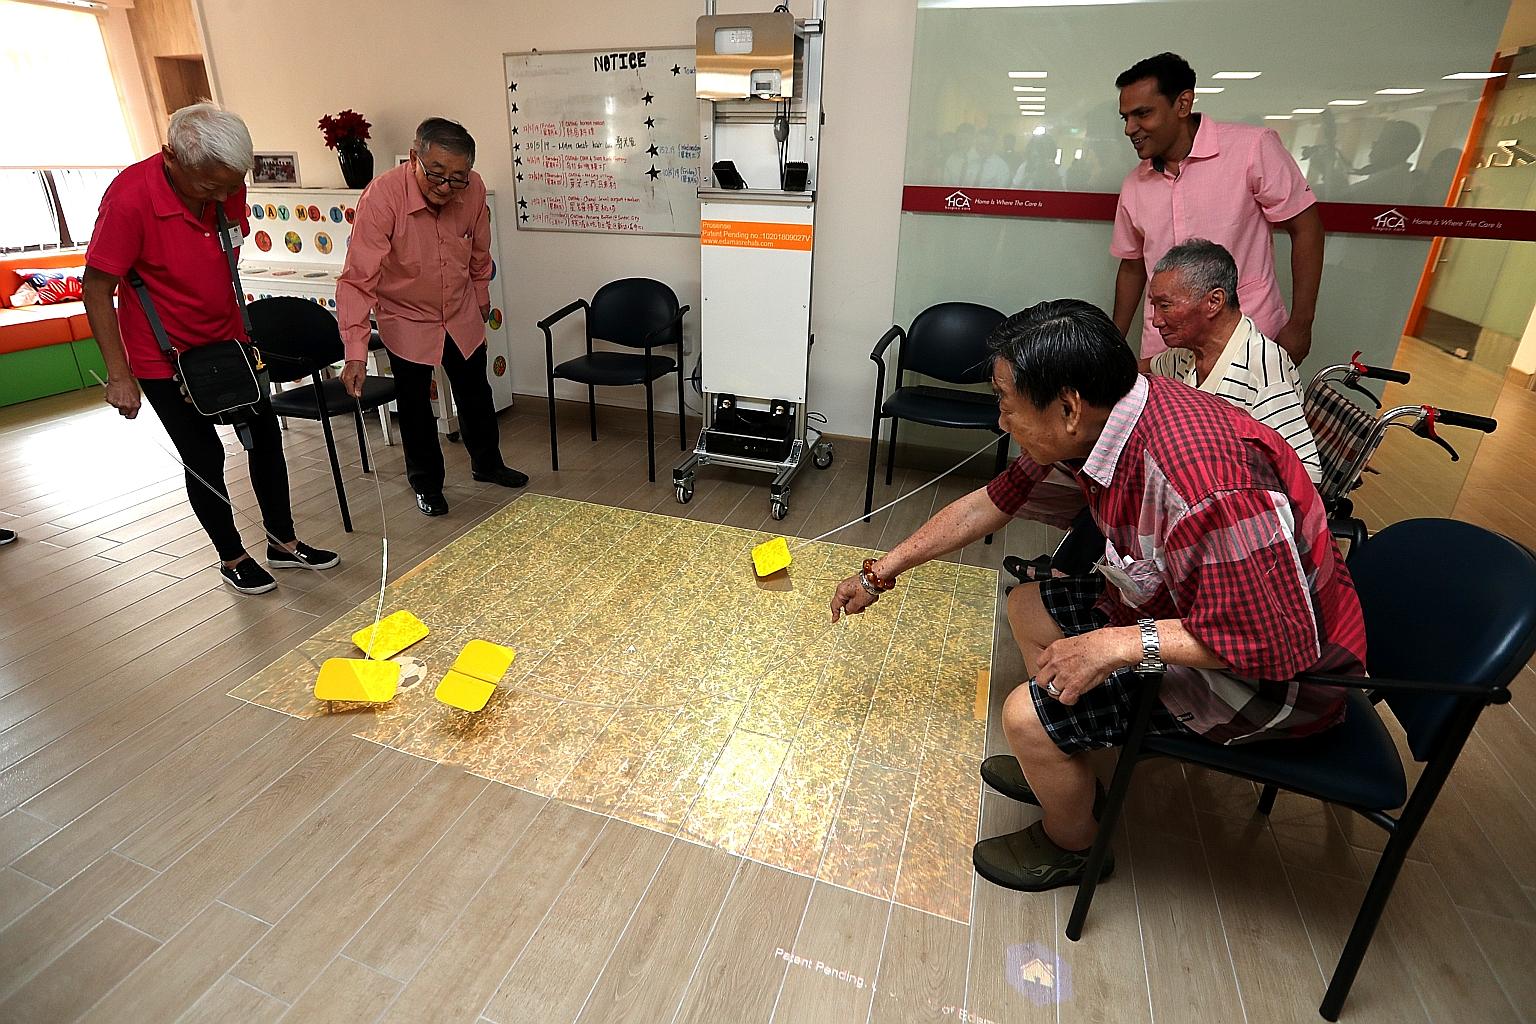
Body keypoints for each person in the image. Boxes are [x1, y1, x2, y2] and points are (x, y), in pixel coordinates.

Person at [830, 299, 1365, 892]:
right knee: (1027, 604)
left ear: (1066, 407)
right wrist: (882, 572)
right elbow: (988, 505)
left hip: (1278, 682)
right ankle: (1070, 758)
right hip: (1192, 609)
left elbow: (1274, 639)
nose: (1000, 421)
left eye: (1007, 404)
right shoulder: (1104, 421)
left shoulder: (1202, 481)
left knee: (1024, 719)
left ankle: (1075, 844)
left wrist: (1115, 645)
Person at [83, 104, 338, 596]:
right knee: (204, 455)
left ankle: (282, 544)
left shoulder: (225, 185)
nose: (224, 195)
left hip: (231, 341)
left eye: (231, 183)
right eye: (209, 185)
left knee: (266, 440)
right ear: (170, 157)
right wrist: (120, 374)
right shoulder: (130, 200)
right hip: (164, 355)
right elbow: (97, 288)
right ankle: (232, 555)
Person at [338, 117, 527, 517]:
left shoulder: (473, 190)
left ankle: (487, 464)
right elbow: (357, 280)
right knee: (415, 403)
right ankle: (426, 482)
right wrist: (355, 351)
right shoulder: (382, 198)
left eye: (457, 177)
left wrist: (480, 302)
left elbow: (479, 253)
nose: (446, 187)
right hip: (406, 315)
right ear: (413, 158)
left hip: (458, 310)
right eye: (436, 174)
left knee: (476, 391)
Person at [1110, 52, 1324, 363]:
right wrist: (1112, 346)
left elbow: (1307, 229)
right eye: (1125, 117)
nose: (1130, 128)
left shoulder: (1251, 149)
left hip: (1247, 341)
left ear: (1183, 104)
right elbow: (1131, 267)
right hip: (1164, 349)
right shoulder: (1135, 184)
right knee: (1170, 414)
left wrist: (1301, 324)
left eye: (1142, 114)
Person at [1145, 239, 1322, 484]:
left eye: (1165, 306)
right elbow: (1145, 372)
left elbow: (1305, 475)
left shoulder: (1263, 366)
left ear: (1214, 302)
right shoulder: (1188, 353)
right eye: (1155, 306)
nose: (1156, 321)